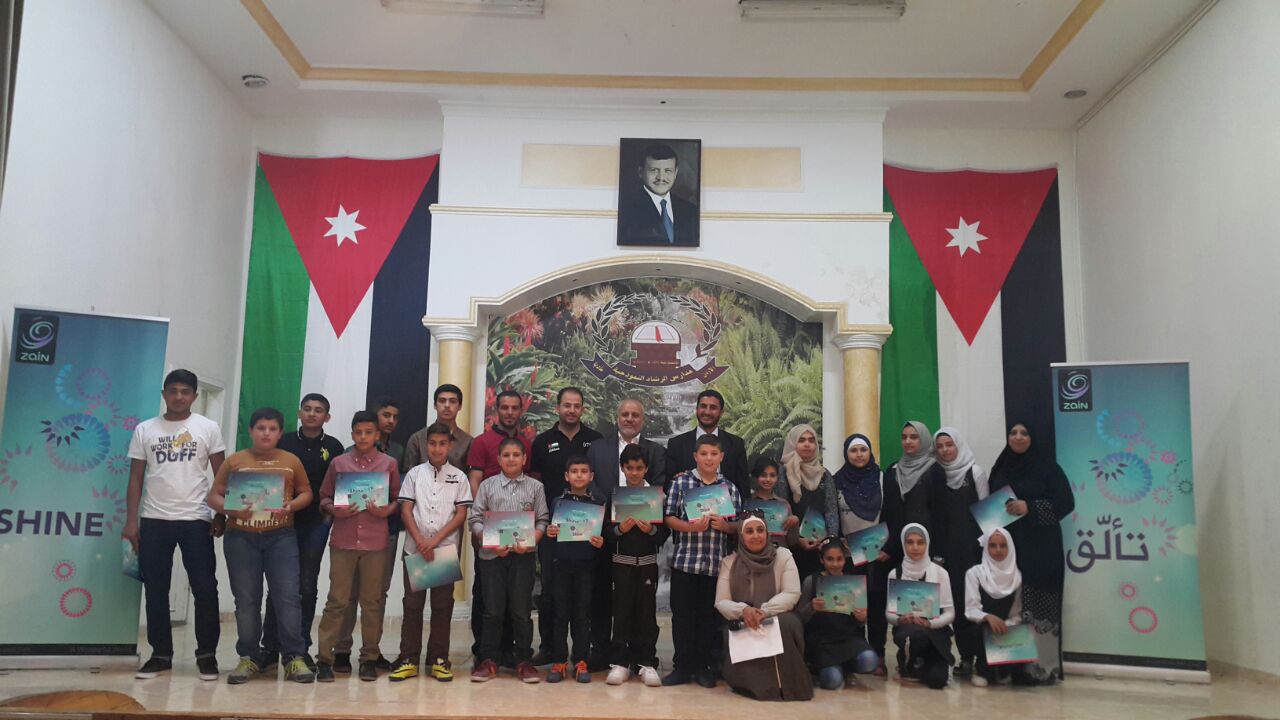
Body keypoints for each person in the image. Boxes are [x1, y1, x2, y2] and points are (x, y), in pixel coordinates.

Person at [123, 369, 225, 681]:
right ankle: (160, 655)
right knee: (156, 589)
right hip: (154, 520)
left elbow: (223, 476)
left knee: (205, 589)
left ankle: (207, 656)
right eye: (173, 391)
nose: (179, 396)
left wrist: (222, 514)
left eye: (185, 391)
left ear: (194, 395)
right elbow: (136, 478)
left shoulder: (208, 428)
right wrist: (131, 522)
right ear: (164, 394)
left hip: (196, 519)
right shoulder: (145, 429)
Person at [207, 407, 315, 684]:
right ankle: (249, 657)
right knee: (246, 601)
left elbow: (306, 492)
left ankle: (293, 658)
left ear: (280, 433)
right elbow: (214, 496)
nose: (266, 433)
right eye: (261, 428)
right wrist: (230, 509)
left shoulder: (290, 461)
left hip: (281, 537)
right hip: (241, 538)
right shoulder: (235, 461)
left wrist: (291, 505)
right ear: (251, 431)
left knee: (288, 598)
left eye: (272, 429)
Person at [315, 411, 402, 682]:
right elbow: (324, 497)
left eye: (368, 432)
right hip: (343, 540)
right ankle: (325, 659)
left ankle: (369, 658)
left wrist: (385, 510)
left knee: (372, 602)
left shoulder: (388, 464)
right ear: (352, 434)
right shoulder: (339, 463)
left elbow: (397, 499)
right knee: (337, 601)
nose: (363, 437)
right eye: (358, 432)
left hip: (376, 542)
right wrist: (334, 510)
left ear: (377, 435)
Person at [988, 421, 1075, 683]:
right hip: (1007, 548)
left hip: (1040, 548)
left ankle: (1039, 669)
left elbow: (1066, 503)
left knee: (1037, 604)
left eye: (1024, 433)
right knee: (1009, 605)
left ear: (1033, 438)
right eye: (1013, 433)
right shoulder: (1001, 467)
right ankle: (1008, 667)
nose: (1018, 437)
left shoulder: (1048, 468)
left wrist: (1030, 507)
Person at [264, 393, 345, 671]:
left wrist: (329, 512)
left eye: (318, 410)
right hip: (281, 522)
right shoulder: (284, 441)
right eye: (307, 409)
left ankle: (300, 648)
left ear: (327, 417)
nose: (312, 414)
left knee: (306, 585)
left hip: (315, 524)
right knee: (278, 584)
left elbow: (338, 486)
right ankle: (270, 647)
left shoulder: (334, 447)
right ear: (299, 413)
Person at [389, 422, 472, 683]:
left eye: (442, 444)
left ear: (450, 445)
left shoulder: (459, 477)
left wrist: (434, 541)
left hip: (444, 551)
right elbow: (405, 511)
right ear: (426, 445)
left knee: (442, 606)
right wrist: (421, 541)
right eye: (433, 443)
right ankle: (408, 659)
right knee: (412, 605)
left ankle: (439, 659)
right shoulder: (414, 474)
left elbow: (461, 514)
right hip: (415, 549)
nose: (437, 448)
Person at [585, 398, 665, 667]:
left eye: (635, 415)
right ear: (617, 416)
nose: (630, 419)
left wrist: (645, 518)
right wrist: (613, 512)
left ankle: (640, 657)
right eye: (625, 414)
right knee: (605, 598)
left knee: (641, 604)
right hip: (605, 531)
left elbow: (660, 486)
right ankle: (604, 653)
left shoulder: (655, 451)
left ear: (643, 419)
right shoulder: (598, 448)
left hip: (642, 542)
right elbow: (591, 485)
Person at [662, 433, 742, 688]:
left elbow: (739, 524)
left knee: (708, 618)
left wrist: (726, 527)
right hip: (685, 562)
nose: (709, 459)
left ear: (721, 457)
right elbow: (668, 517)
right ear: (695, 456)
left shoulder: (729, 488)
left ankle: (703, 667)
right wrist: (689, 527)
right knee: (682, 617)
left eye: (713, 454)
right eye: (704, 454)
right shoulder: (681, 482)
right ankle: (682, 667)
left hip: (715, 565)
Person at [529, 387, 602, 666]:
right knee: (549, 592)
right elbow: (535, 484)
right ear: (557, 407)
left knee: (586, 595)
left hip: (587, 531)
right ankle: (549, 648)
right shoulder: (542, 442)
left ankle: (585, 652)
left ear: (583, 409)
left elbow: (599, 482)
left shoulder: (595, 440)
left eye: (576, 405)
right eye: (567, 405)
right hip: (553, 530)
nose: (571, 410)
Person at [468, 437, 549, 683]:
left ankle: (523, 660)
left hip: (523, 557)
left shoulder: (536, 487)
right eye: (506, 455)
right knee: (492, 610)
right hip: (492, 556)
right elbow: (475, 519)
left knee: (521, 610)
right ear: (498, 459)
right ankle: (489, 660)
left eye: (516, 455)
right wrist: (490, 541)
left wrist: (532, 541)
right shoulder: (487, 486)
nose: (511, 459)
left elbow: (542, 520)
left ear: (524, 459)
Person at [714, 514, 812, 701]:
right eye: (749, 531)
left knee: (784, 624)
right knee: (734, 629)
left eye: (760, 530)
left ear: (767, 534)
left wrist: (765, 611)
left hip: (776, 615)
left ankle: (786, 685)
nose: (756, 536)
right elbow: (722, 601)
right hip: (744, 618)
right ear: (741, 537)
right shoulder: (730, 562)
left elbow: (792, 593)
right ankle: (753, 685)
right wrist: (744, 611)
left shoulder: (783, 556)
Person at [465, 390, 530, 665]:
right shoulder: (481, 442)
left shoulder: (525, 443)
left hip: (518, 532)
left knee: (514, 594)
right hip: (489, 527)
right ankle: (484, 649)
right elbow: (475, 481)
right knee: (486, 592)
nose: (510, 412)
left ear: (520, 411)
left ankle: (508, 649)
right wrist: (485, 528)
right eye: (505, 407)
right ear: (496, 410)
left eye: (515, 408)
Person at [605, 444, 670, 687]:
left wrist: (650, 529)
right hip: (621, 564)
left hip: (647, 564)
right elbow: (605, 532)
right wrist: (619, 530)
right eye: (629, 468)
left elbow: (663, 533)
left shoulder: (656, 497)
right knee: (621, 611)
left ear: (646, 469)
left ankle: (646, 663)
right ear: (622, 468)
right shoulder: (615, 496)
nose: (634, 472)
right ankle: (620, 663)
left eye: (639, 468)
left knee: (646, 613)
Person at [929, 427, 989, 679]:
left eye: (949, 444)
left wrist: (984, 548)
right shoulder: (936, 475)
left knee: (972, 603)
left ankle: (979, 658)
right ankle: (963, 657)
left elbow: (987, 514)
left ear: (958, 445)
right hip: (946, 551)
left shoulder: (975, 472)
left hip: (972, 551)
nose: (945, 450)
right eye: (940, 446)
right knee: (952, 602)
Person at [831, 433, 891, 675]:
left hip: (878, 555)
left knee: (876, 606)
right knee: (852, 607)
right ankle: (855, 655)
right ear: (846, 453)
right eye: (853, 450)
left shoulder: (882, 478)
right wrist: (837, 544)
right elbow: (832, 515)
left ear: (870, 452)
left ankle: (878, 656)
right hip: (848, 555)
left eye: (863, 450)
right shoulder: (837, 481)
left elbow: (892, 513)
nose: (858, 455)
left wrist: (887, 548)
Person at [543, 455, 606, 683]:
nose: (579, 475)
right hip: (561, 564)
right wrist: (550, 533)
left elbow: (604, 535)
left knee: (582, 615)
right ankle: (559, 661)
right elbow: (550, 532)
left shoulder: (599, 503)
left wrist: (601, 542)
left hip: (586, 565)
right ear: (566, 476)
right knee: (560, 614)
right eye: (574, 471)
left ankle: (581, 660)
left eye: (584, 471)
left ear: (591, 476)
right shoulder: (557, 502)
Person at [795, 539, 878, 690]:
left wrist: (862, 618)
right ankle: (822, 668)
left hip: (848, 638)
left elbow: (860, 622)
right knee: (832, 681)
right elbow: (799, 617)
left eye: (839, 559)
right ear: (822, 559)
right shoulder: (811, 581)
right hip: (822, 642)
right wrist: (811, 607)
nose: (835, 564)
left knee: (870, 661)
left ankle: (846, 668)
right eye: (830, 559)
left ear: (845, 559)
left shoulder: (854, 584)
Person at [886, 524, 954, 690]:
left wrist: (929, 623)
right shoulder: (895, 573)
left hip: (936, 632)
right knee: (915, 634)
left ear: (927, 544)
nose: (915, 547)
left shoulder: (940, 573)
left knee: (938, 680)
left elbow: (950, 614)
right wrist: (900, 619)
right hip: (908, 630)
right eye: (910, 542)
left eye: (920, 542)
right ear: (903, 544)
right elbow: (889, 613)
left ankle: (918, 663)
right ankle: (909, 661)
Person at [963, 528, 1033, 687]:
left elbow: (1016, 614)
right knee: (983, 629)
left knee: (1023, 629)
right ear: (986, 548)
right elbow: (971, 609)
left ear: (1010, 548)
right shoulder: (974, 573)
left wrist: (1005, 624)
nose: (998, 550)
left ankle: (1005, 670)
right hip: (980, 625)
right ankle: (983, 671)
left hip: (1006, 628)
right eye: (993, 546)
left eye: (1003, 545)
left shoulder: (1017, 577)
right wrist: (988, 617)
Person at [777, 424, 839, 580]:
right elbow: (781, 509)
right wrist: (797, 539)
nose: (807, 444)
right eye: (802, 440)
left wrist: (829, 540)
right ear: (792, 443)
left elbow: (831, 509)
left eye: (811, 440)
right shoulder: (784, 472)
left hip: (820, 547)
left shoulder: (825, 474)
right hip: (791, 546)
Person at [663, 389, 750, 498]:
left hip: (727, 506)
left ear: (721, 412)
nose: (707, 412)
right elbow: (667, 486)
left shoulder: (736, 444)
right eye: (703, 406)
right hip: (687, 506)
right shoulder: (676, 444)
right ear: (696, 409)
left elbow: (743, 487)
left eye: (713, 407)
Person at [882, 422, 942, 571]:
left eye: (914, 437)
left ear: (924, 439)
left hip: (923, 546)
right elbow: (887, 511)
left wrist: (938, 553)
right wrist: (886, 546)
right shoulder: (893, 469)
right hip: (894, 548)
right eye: (904, 437)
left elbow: (940, 514)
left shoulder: (935, 470)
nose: (908, 441)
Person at [617, 142, 699, 247]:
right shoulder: (626, 209)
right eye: (654, 170)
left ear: (675, 173)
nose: (661, 177)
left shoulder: (690, 210)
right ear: (641, 172)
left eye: (668, 170)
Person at [404, 384, 473, 473]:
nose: (447, 405)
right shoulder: (417, 439)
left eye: (452, 401)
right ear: (435, 405)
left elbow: (468, 477)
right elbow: (409, 474)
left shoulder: (468, 442)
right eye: (442, 401)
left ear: (460, 406)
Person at [746, 458, 799, 548]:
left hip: (779, 552)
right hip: (753, 553)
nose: (768, 479)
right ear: (756, 477)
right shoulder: (748, 503)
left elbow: (791, 541)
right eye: (763, 475)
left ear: (777, 478)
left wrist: (795, 523)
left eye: (772, 475)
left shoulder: (783, 505)